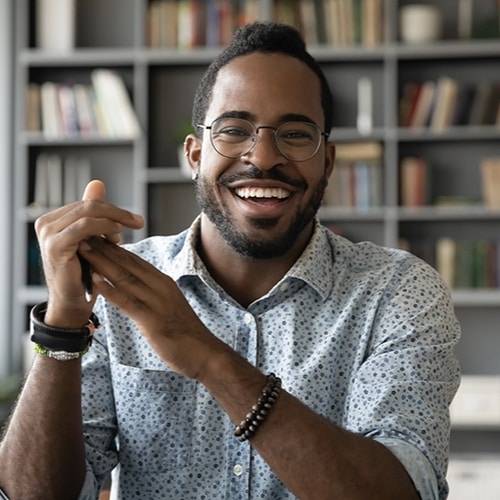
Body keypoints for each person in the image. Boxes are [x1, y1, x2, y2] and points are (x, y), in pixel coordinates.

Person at [0, 21, 460, 500]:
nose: (262, 157)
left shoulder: (398, 292)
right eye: (234, 129)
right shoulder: (116, 289)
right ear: (195, 156)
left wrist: (208, 359)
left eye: (296, 134)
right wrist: (63, 328)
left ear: (328, 162)